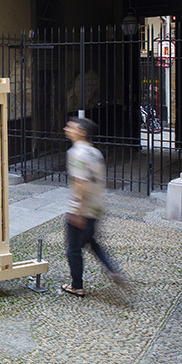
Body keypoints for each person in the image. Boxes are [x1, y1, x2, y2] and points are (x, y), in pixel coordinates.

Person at [61, 117, 127, 297]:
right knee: (91, 242)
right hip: (96, 206)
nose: (66, 128)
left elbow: (81, 182)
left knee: (73, 249)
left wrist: (77, 210)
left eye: (71, 127)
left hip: (82, 207)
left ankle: (77, 286)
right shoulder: (95, 152)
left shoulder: (76, 153)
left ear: (82, 132)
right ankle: (113, 270)